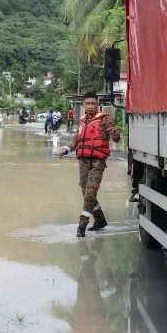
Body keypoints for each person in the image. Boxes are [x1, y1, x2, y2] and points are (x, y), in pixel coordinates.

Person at [57, 92, 123, 237]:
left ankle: (82, 226)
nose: (90, 106)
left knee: (90, 192)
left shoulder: (105, 120)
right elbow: (76, 140)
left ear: (97, 105)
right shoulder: (82, 121)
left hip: (97, 162)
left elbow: (114, 135)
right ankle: (100, 220)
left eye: (93, 103)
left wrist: (116, 135)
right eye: (88, 104)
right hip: (83, 161)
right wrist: (66, 149)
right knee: (84, 189)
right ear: (84, 106)